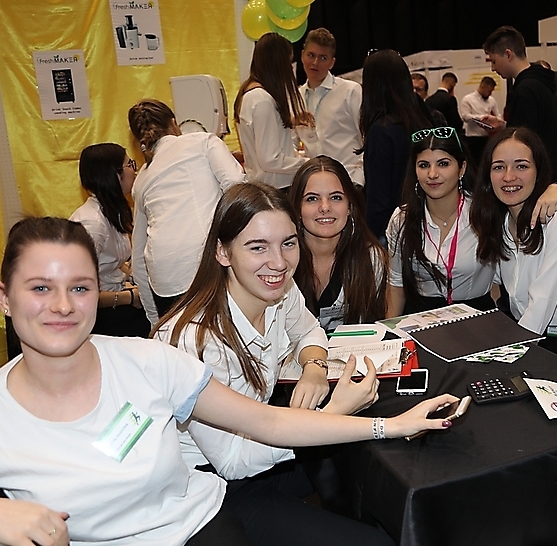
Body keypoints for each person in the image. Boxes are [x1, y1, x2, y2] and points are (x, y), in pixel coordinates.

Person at [0, 217, 455, 546]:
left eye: (80, 287)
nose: (62, 306)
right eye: (40, 288)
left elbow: (270, 423)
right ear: (4, 298)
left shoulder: (147, 363)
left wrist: (392, 425)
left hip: (204, 524)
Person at [152, 182, 392, 545]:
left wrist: (315, 368)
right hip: (215, 487)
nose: (279, 262)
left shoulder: (277, 287)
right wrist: (333, 413)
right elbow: (234, 462)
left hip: (262, 449)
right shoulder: (196, 340)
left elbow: (309, 330)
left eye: (288, 243)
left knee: (372, 472)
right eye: (258, 247)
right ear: (222, 252)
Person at [470, 128, 557, 359]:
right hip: (521, 331)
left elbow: (543, 300)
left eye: (521, 166)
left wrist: (505, 357)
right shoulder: (501, 222)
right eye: (499, 167)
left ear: (538, 170)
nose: (508, 177)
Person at [128, 98, 246, 323]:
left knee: (183, 343)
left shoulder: (142, 178)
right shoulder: (202, 142)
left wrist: (155, 321)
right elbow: (237, 188)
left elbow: (139, 256)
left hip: (164, 281)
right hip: (207, 266)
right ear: (174, 123)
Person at [386, 126, 495, 316]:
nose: (432, 174)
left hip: (476, 317)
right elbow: (396, 284)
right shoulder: (401, 219)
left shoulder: (485, 214)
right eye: (424, 165)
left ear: (462, 168)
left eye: (443, 164)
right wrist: (390, 331)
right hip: (420, 318)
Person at [289, 156, 388, 331]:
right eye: (312, 199)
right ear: (297, 209)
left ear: (349, 207)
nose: (325, 207)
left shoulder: (371, 258)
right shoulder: (281, 260)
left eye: (336, 197)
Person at [69, 143, 150, 338]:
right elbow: (75, 291)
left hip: (119, 295)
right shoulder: (92, 224)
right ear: (114, 174)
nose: (135, 171)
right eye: (130, 165)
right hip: (101, 313)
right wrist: (130, 297)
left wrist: (132, 276)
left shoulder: (111, 212)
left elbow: (110, 260)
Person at [358, 49, 432, 240]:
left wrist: (370, 238)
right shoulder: (420, 117)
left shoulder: (381, 130)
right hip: (423, 221)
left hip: (392, 230)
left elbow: (379, 197)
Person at [481, 26, 557, 188]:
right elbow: (534, 126)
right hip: (546, 171)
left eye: (494, 61)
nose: (493, 68)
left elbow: (523, 140)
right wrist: (504, 125)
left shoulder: (525, 89)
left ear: (508, 54)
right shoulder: (540, 82)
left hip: (535, 177)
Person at [234, 32, 309, 190]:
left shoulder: (250, 94)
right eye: (288, 62)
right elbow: (270, 160)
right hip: (277, 187)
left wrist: (290, 121)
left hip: (264, 185)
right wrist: (307, 163)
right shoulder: (262, 100)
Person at [298, 29, 364, 187]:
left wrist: (358, 180)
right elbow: (291, 143)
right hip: (314, 184)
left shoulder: (350, 91)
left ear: (332, 62)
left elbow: (366, 139)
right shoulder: (296, 97)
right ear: (302, 55)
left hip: (348, 181)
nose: (315, 63)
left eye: (323, 58)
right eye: (311, 55)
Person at [459, 76, 501, 165]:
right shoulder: (468, 99)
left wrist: (498, 121)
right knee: (473, 164)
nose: (490, 93)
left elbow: (498, 114)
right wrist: (481, 117)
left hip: (486, 137)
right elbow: (465, 116)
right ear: (482, 87)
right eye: (489, 91)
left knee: (486, 162)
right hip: (472, 138)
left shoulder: (491, 100)